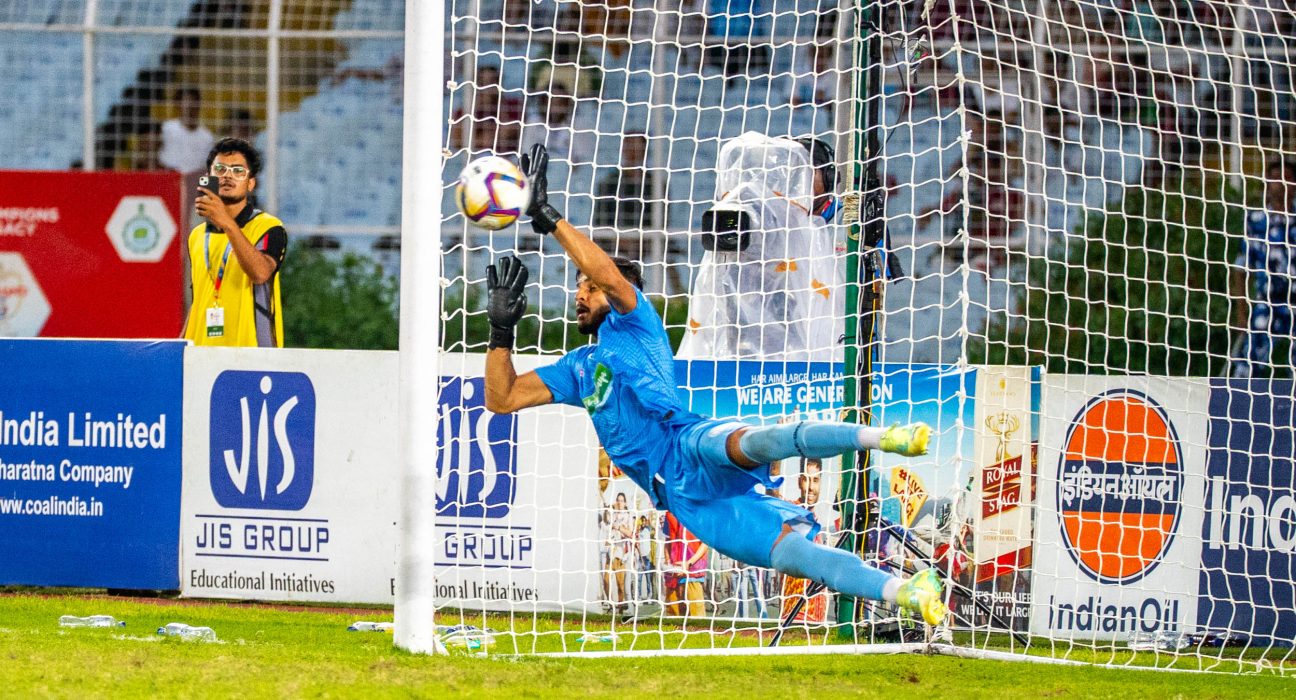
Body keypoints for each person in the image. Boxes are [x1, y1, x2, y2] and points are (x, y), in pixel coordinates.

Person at [483, 143, 949, 627]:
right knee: (795, 557)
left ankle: (884, 437)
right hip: (684, 498)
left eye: (591, 286)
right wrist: (500, 332)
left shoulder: (635, 323)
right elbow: (503, 398)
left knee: (760, 442)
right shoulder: (579, 367)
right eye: (578, 287)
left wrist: (549, 218)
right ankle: (907, 592)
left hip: (686, 441)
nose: (580, 294)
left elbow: (611, 278)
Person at [676, 133, 844, 361]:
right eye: (793, 171)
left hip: (825, 339)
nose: (798, 179)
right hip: (757, 342)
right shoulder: (760, 218)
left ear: (829, 177)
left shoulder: (848, 220)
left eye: (807, 171)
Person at [182, 137, 287, 347]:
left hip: (250, 352)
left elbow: (260, 273)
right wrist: (179, 345)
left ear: (250, 183)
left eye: (238, 171)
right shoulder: (197, 235)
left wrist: (227, 223)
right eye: (220, 169)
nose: (227, 176)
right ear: (208, 178)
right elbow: (198, 299)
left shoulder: (269, 227)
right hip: (201, 352)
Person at [1232, 157, 1296, 377]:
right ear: (1267, 182)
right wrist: (1241, 312)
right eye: (1276, 178)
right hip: (1268, 302)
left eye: (1287, 178)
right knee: (1248, 363)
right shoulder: (1256, 220)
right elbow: (1241, 268)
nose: (1281, 184)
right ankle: (1239, 396)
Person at [593, 132, 656, 229]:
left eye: (636, 147)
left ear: (645, 151)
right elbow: (600, 221)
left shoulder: (655, 185)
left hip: (646, 237)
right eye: (629, 146)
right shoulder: (609, 184)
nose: (633, 152)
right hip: (613, 237)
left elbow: (661, 220)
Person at [160, 87, 216, 175]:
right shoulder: (167, 128)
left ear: (199, 105)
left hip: (194, 179)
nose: (189, 106)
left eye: (193, 102)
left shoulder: (207, 136)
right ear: (177, 105)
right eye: (185, 102)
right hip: (168, 176)